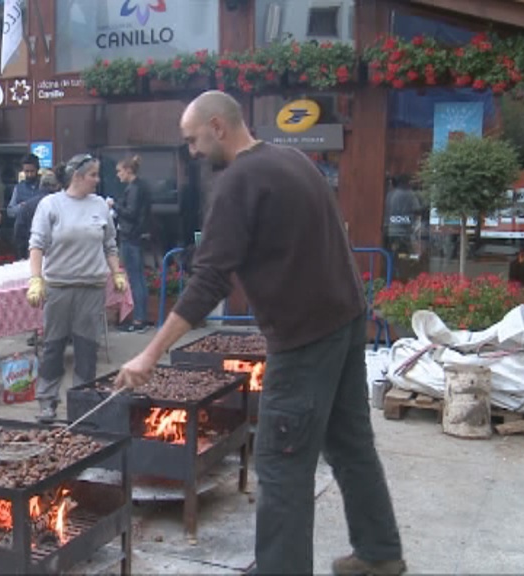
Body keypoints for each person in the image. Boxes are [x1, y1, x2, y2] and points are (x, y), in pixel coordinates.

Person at [114, 91, 405, 576]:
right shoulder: (292, 159)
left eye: (192, 141)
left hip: (305, 335)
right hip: (346, 319)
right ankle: (380, 553)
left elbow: (209, 280)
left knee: (281, 461)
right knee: (351, 443)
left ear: (217, 126)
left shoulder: (238, 182)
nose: (192, 152)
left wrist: (149, 355)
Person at [26, 154, 126, 423]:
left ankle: (83, 403)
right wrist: (36, 279)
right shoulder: (51, 205)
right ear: (77, 177)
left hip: (92, 288)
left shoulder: (100, 206)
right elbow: (37, 244)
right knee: (53, 347)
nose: (97, 179)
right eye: (93, 175)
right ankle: (47, 402)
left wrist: (116, 272)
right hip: (59, 287)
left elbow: (110, 245)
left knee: (86, 348)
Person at [112, 155, 153, 333]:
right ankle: (141, 317)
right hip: (137, 235)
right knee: (139, 279)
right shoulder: (141, 186)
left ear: (128, 171)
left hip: (130, 236)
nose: (118, 175)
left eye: (119, 171)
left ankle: (138, 320)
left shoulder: (134, 189)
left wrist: (113, 205)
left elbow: (131, 212)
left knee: (135, 279)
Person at [13, 170, 60, 260]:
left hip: (32, 253)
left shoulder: (27, 206)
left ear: (40, 186)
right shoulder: (61, 206)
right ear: (57, 186)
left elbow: (19, 232)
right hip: (56, 255)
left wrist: (21, 255)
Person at [7, 154, 42, 219]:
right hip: (24, 227)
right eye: (26, 171)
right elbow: (10, 211)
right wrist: (21, 207)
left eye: (32, 171)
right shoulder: (18, 188)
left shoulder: (44, 187)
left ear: (37, 169)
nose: (29, 174)